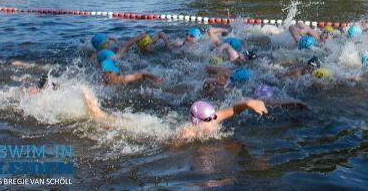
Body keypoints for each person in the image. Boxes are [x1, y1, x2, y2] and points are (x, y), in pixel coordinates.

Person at [81, 87, 267, 143]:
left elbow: (233, 109)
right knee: (114, 125)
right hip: (152, 134)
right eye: (210, 118)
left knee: (124, 120)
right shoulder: (189, 132)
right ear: (197, 122)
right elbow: (168, 144)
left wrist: (249, 102)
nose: (215, 119)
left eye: (213, 116)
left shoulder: (212, 118)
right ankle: (94, 111)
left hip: (159, 126)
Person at [95, 49, 163, 85]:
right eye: (103, 73)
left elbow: (143, 73)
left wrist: (155, 78)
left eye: (107, 73)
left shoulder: (123, 79)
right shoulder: (103, 82)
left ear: (115, 73)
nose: (104, 76)